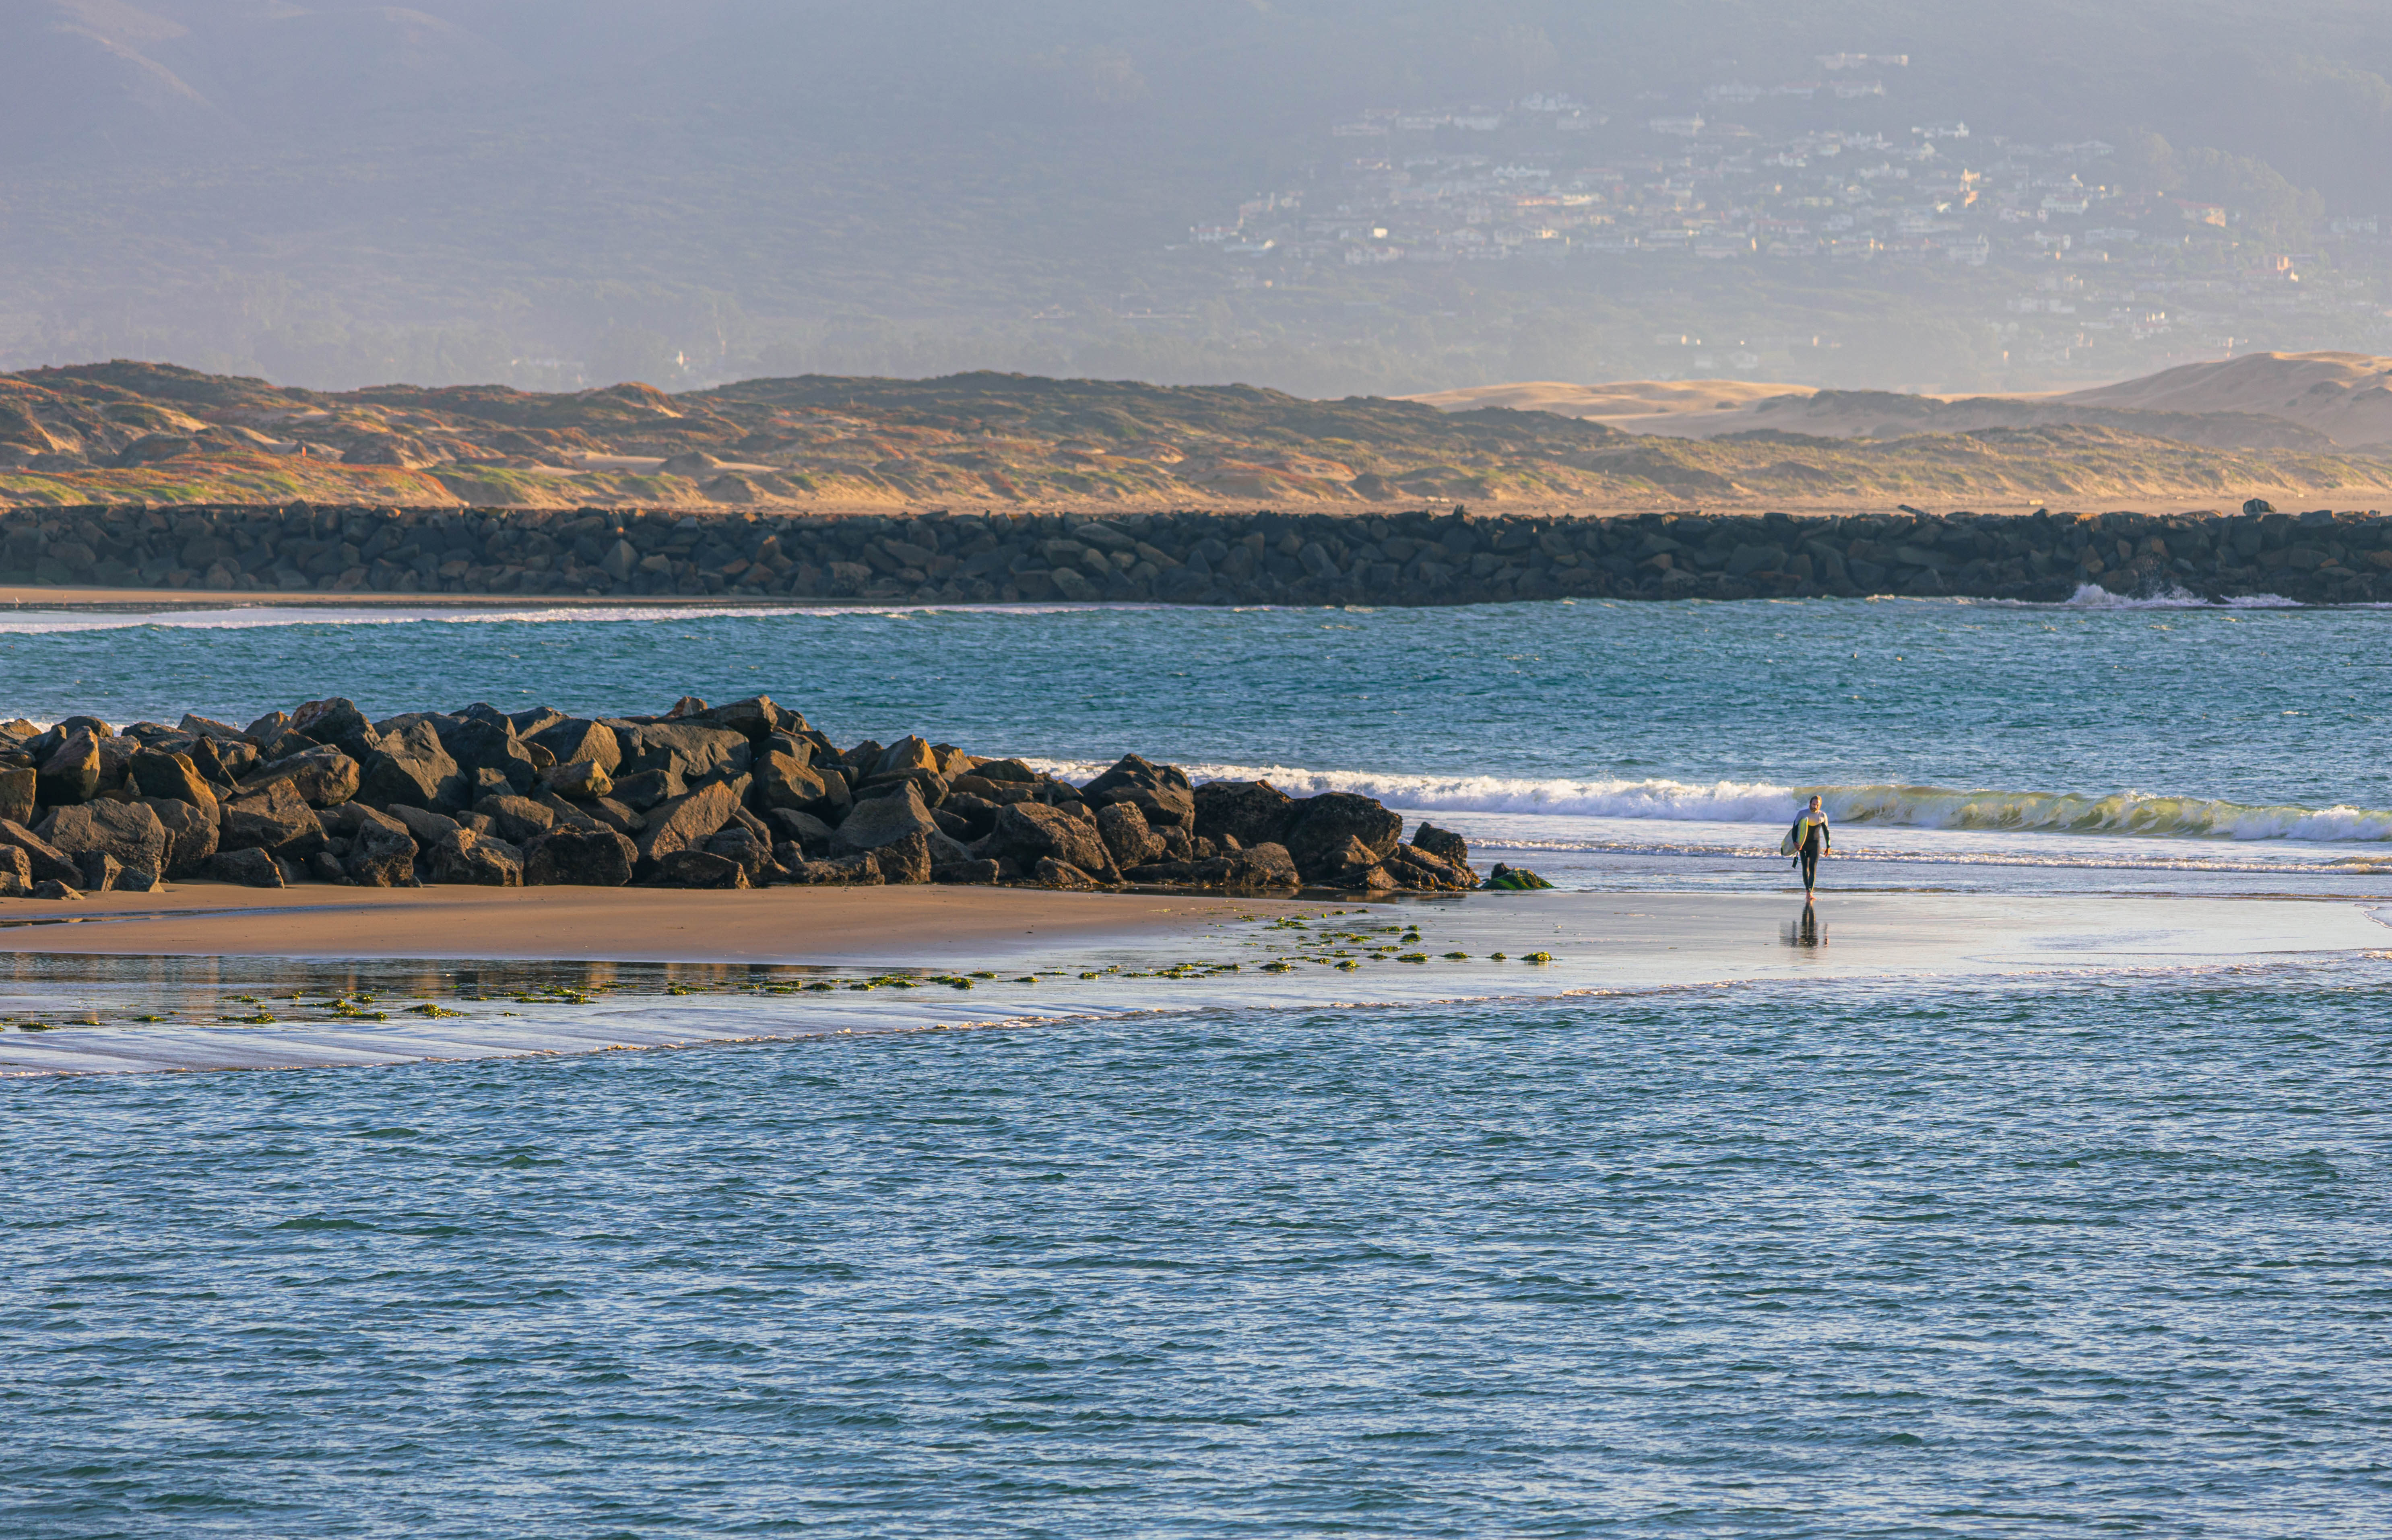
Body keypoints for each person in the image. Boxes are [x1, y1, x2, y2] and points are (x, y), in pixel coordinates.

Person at [1785, 795, 1831, 900]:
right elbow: (1795, 829)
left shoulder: (1822, 816)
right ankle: (1807, 891)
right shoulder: (1802, 814)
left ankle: (1810, 892)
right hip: (1803, 845)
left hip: (1815, 845)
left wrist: (1828, 846)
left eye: (1817, 805)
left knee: (1813, 867)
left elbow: (1826, 832)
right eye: (1814, 804)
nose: (1815, 807)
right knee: (1805, 868)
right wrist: (1795, 842)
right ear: (1810, 803)